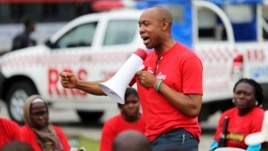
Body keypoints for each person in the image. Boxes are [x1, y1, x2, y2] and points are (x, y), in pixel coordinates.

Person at [59, 5, 203, 151]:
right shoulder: (144, 60)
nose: (141, 30)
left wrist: (156, 83)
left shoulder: (187, 58)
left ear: (164, 25)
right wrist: (77, 84)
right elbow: (110, 86)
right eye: (139, 25)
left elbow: (193, 108)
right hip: (152, 139)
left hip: (179, 136)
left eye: (146, 24)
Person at [209, 78, 265, 151]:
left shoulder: (260, 116)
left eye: (247, 94)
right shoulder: (226, 115)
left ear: (256, 98)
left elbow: (255, 147)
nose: (241, 97)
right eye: (238, 93)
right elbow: (215, 143)